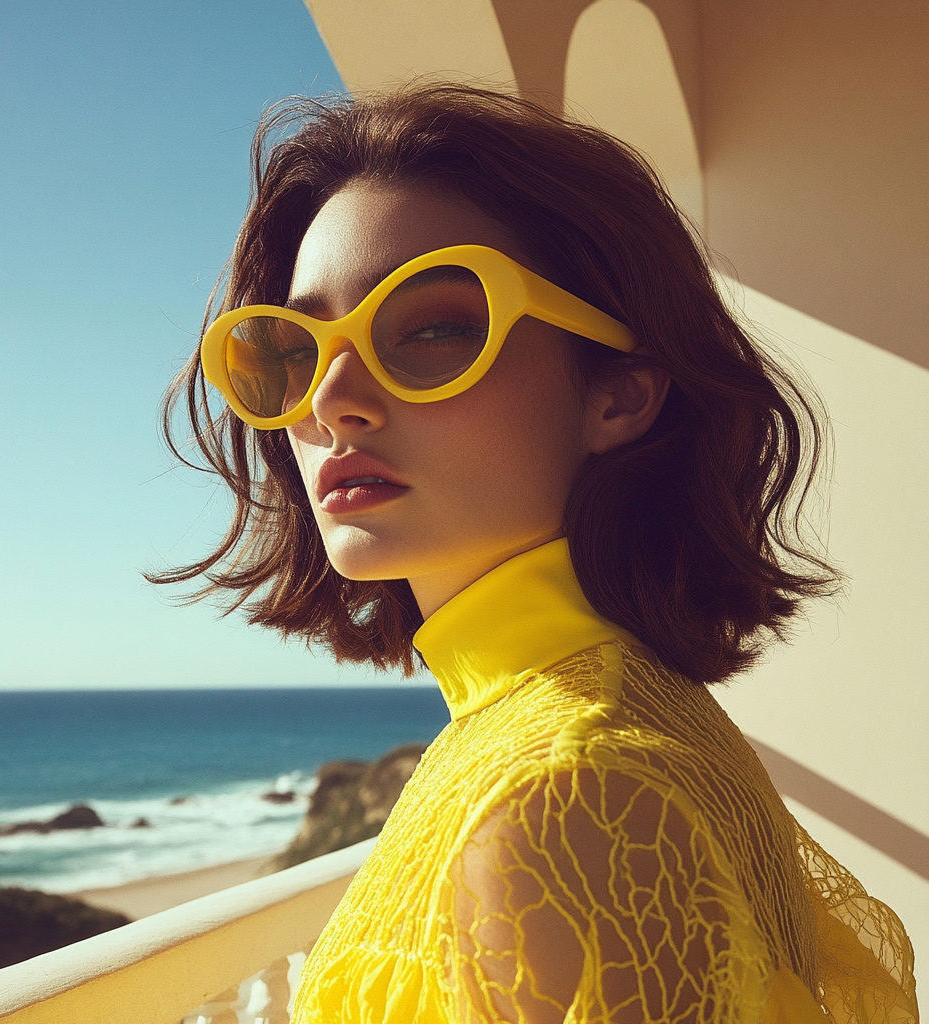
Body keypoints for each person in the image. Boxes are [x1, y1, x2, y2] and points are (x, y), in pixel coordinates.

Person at [155, 85, 918, 1023]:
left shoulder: (564, 798)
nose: (332, 399)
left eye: (433, 328)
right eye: (294, 349)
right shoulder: (615, 713)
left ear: (618, 395)